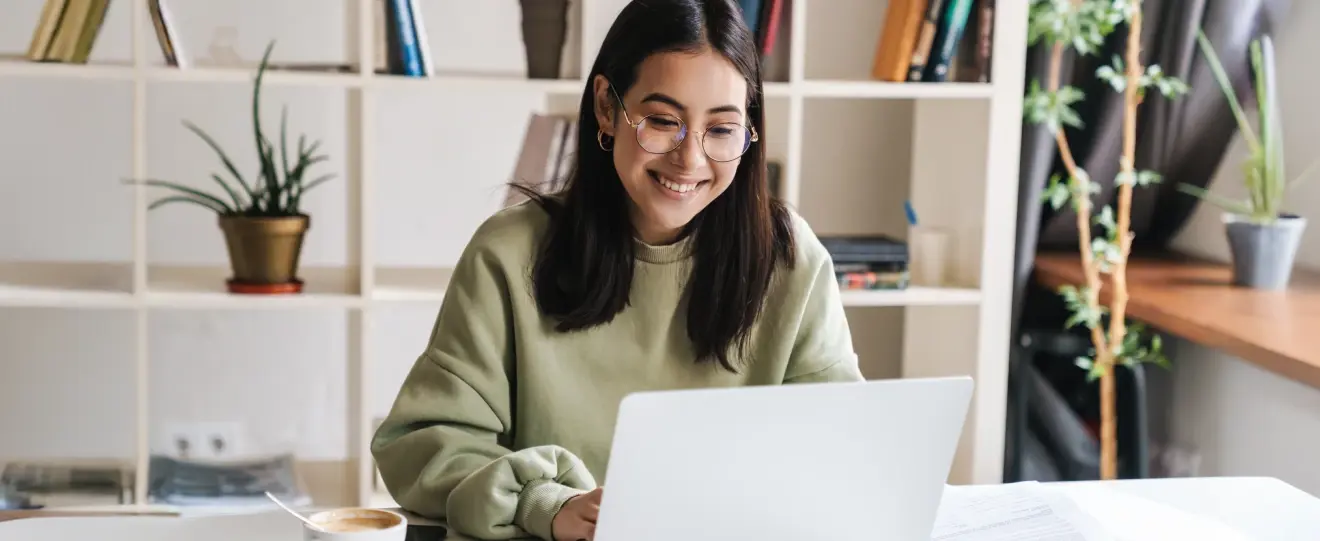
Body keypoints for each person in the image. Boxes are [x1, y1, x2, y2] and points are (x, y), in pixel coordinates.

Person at [370, 1, 863, 539]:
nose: (690, 160)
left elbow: (840, 449)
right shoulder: (509, 254)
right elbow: (421, 443)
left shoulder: (791, 259)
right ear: (607, 107)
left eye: (721, 130)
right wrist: (543, 502)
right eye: (662, 121)